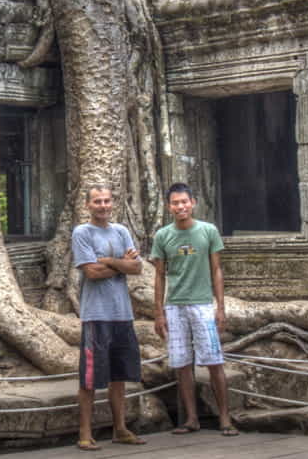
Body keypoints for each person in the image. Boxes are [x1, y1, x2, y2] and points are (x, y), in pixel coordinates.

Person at [149, 183, 237, 436]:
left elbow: (217, 270)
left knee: (214, 360)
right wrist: (158, 312)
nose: (180, 207)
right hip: (174, 305)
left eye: (184, 202)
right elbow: (159, 276)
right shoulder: (163, 236)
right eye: (175, 203)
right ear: (169, 207)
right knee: (182, 363)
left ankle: (225, 418)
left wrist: (220, 307)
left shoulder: (208, 231)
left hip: (202, 304)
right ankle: (191, 418)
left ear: (193, 203)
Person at [72, 184, 146, 451]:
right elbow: (91, 273)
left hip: (122, 314)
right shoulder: (82, 232)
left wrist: (107, 260)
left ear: (112, 203)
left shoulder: (121, 231)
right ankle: (84, 433)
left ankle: (121, 429)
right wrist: (120, 263)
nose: (103, 205)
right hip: (96, 315)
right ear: (87, 205)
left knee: (119, 374)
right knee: (90, 377)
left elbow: (136, 267)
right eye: (97, 201)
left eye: (106, 201)